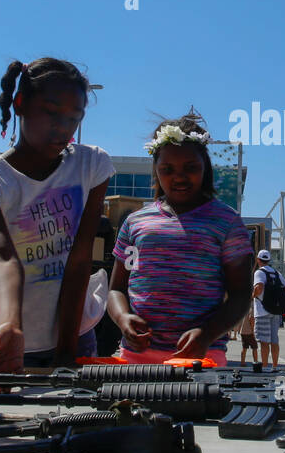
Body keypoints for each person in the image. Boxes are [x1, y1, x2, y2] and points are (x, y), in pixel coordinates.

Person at [0, 58, 114, 371]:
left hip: (77, 334)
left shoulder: (92, 166)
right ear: (20, 104)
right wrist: (9, 327)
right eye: (51, 112)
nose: (63, 129)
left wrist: (67, 350)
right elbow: (2, 258)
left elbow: (79, 259)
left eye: (74, 119)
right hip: (7, 342)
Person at [108, 113, 253, 366]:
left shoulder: (226, 222)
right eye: (167, 169)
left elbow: (241, 295)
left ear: (205, 167)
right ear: (156, 169)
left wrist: (207, 334)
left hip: (201, 357)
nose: (179, 177)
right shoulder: (135, 223)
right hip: (135, 358)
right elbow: (115, 289)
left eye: (190, 168)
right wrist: (122, 318)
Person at [251, 250, 284, 367]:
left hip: (262, 311)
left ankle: (265, 366)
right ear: (269, 260)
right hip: (275, 311)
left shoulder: (259, 272)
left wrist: (253, 296)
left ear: (258, 260)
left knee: (264, 341)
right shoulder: (277, 273)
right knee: (274, 340)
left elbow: (259, 287)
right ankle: (275, 366)